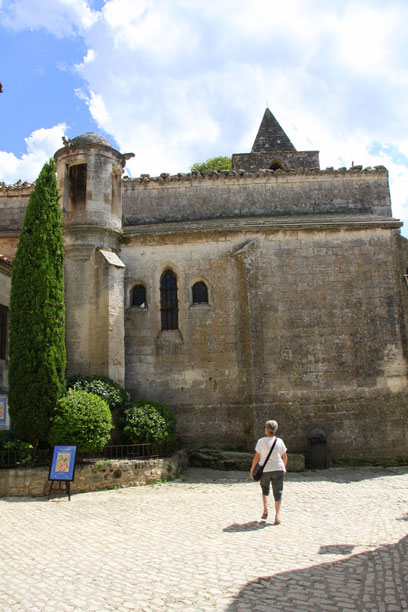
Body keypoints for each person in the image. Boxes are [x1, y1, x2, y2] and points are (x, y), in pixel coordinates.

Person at [250, 420, 287, 524]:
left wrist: (252, 470)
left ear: (267, 429)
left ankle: (265, 509)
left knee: (265, 490)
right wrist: (283, 468)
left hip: (265, 470)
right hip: (278, 469)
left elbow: (256, 458)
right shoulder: (279, 441)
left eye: (265, 427)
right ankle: (277, 516)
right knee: (278, 493)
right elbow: (285, 457)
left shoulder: (261, 441)